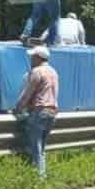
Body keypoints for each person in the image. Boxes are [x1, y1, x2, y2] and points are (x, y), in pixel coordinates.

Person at [14, 46, 59, 177]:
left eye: (33, 56)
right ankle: (42, 175)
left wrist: (17, 108)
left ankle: (39, 177)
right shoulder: (54, 72)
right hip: (52, 112)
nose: (31, 59)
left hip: (39, 111)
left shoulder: (37, 72)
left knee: (35, 146)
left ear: (39, 57)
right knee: (41, 147)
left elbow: (27, 93)